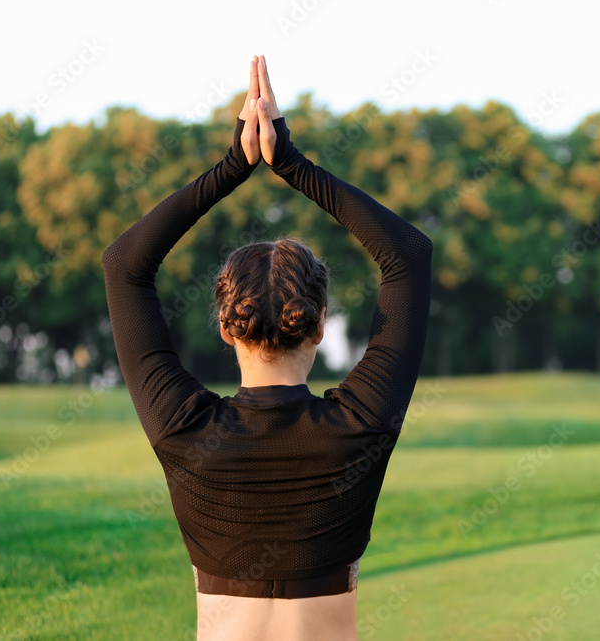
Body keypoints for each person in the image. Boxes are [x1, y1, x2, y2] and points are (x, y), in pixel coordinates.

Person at [101, 55, 433, 640]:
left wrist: (234, 165)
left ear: (228, 328)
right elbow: (407, 257)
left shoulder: (184, 428)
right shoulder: (360, 424)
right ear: (321, 323)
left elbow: (123, 266)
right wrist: (292, 164)